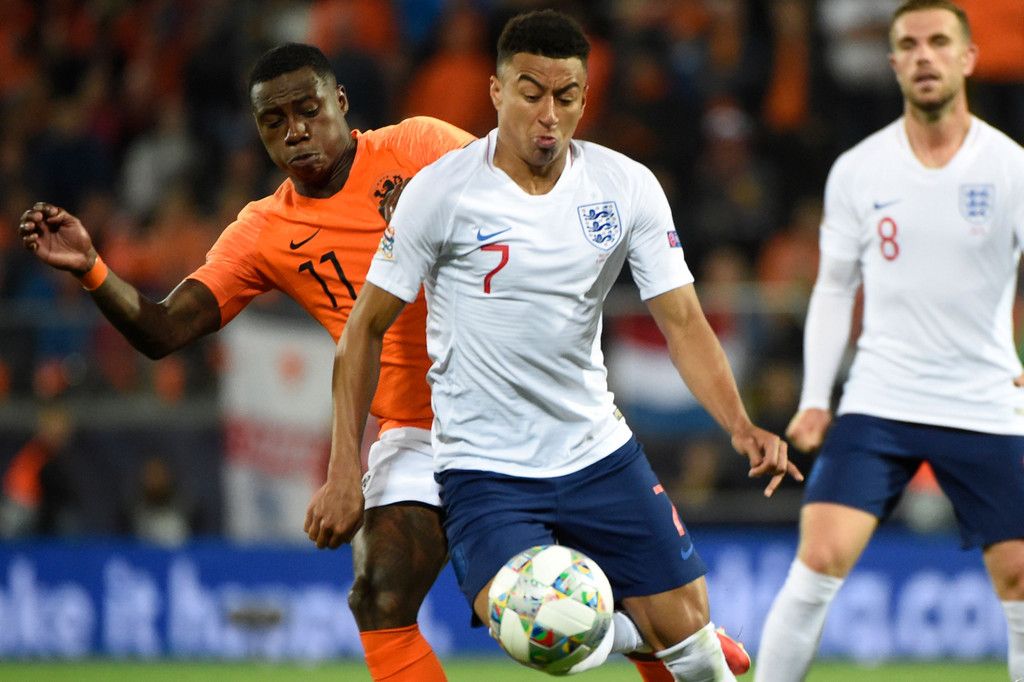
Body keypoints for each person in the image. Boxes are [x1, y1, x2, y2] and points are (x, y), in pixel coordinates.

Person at [307, 10, 801, 681]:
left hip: (597, 452)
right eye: (531, 93)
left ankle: (667, 636)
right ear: (496, 92)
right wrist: (344, 470)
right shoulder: (441, 192)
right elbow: (363, 329)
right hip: (485, 467)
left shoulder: (625, 187)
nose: (548, 115)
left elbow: (683, 320)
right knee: (532, 629)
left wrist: (740, 424)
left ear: (584, 99)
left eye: (565, 97)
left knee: (698, 656)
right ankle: (641, 635)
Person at [18, 43, 475, 682]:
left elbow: (520, 204)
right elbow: (164, 330)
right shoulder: (265, 232)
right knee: (378, 597)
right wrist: (94, 269)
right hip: (416, 432)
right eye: (273, 121)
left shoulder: (420, 147)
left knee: (605, 599)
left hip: (507, 400)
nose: (295, 131)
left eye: (309, 110)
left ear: (342, 103)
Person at [755, 2, 1024, 680]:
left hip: (985, 398)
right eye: (909, 43)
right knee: (819, 556)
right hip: (881, 398)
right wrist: (816, 398)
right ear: (893, 62)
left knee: (1020, 575)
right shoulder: (859, 169)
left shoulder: (1010, 166)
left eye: (939, 42)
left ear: (968, 58)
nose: (924, 55)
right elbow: (833, 288)